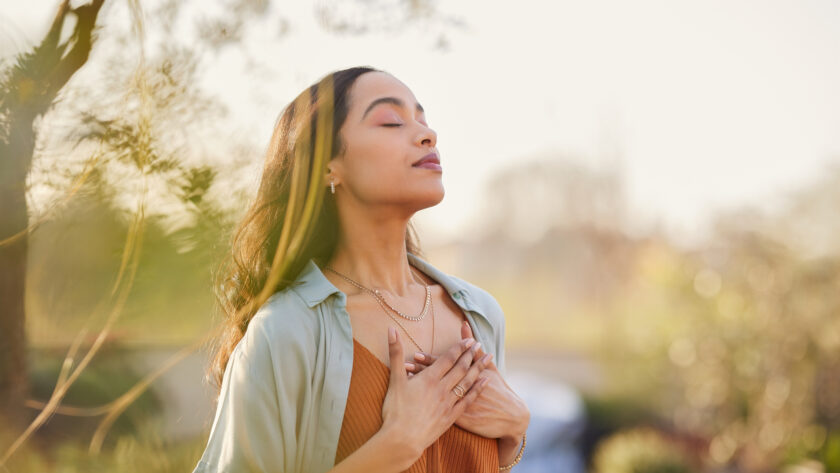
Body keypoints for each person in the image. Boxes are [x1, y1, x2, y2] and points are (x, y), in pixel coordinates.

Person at [192, 66, 530, 473]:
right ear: (327, 167)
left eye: (423, 120)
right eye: (391, 121)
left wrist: (514, 433)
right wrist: (394, 446)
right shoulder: (286, 332)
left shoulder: (480, 314)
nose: (428, 135)